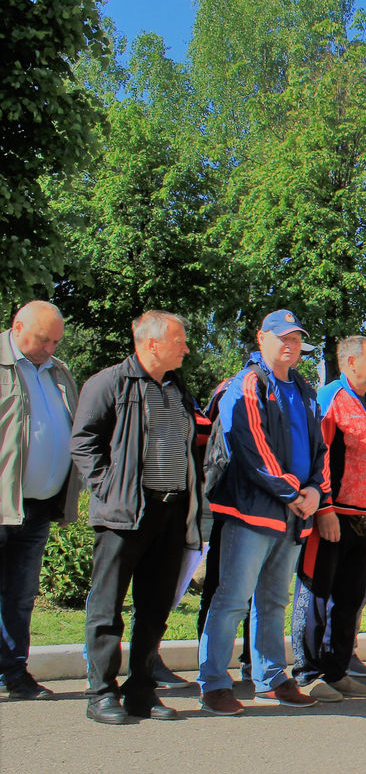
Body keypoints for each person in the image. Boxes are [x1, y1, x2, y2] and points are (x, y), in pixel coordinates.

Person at [72, 310, 204, 723]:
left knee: (154, 607)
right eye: (179, 340)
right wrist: (108, 486)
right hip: (125, 513)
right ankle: (100, 694)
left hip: (170, 511)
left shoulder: (177, 387)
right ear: (152, 344)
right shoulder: (109, 383)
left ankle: (141, 692)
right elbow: (83, 441)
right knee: (107, 606)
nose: (186, 347)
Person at [198, 310, 328, 716]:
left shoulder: (305, 389)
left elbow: (320, 448)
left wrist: (316, 491)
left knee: (273, 601)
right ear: (261, 338)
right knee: (233, 599)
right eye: (281, 337)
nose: (289, 345)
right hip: (252, 511)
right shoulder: (247, 383)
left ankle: (271, 678)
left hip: (294, 512)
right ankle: (214, 683)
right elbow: (250, 445)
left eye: (295, 338)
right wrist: (294, 492)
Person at [289, 335, 366, 702]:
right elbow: (320, 456)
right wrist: (326, 508)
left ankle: (337, 670)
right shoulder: (330, 399)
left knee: (349, 598)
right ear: (350, 363)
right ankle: (307, 672)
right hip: (333, 515)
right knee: (317, 592)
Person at [1, 301, 81, 700]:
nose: (52, 348)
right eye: (44, 339)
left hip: (37, 507)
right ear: (17, 327)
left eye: (57, 341)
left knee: (20, 595)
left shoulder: (59, 371)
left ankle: (13, 675)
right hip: (2, 501)